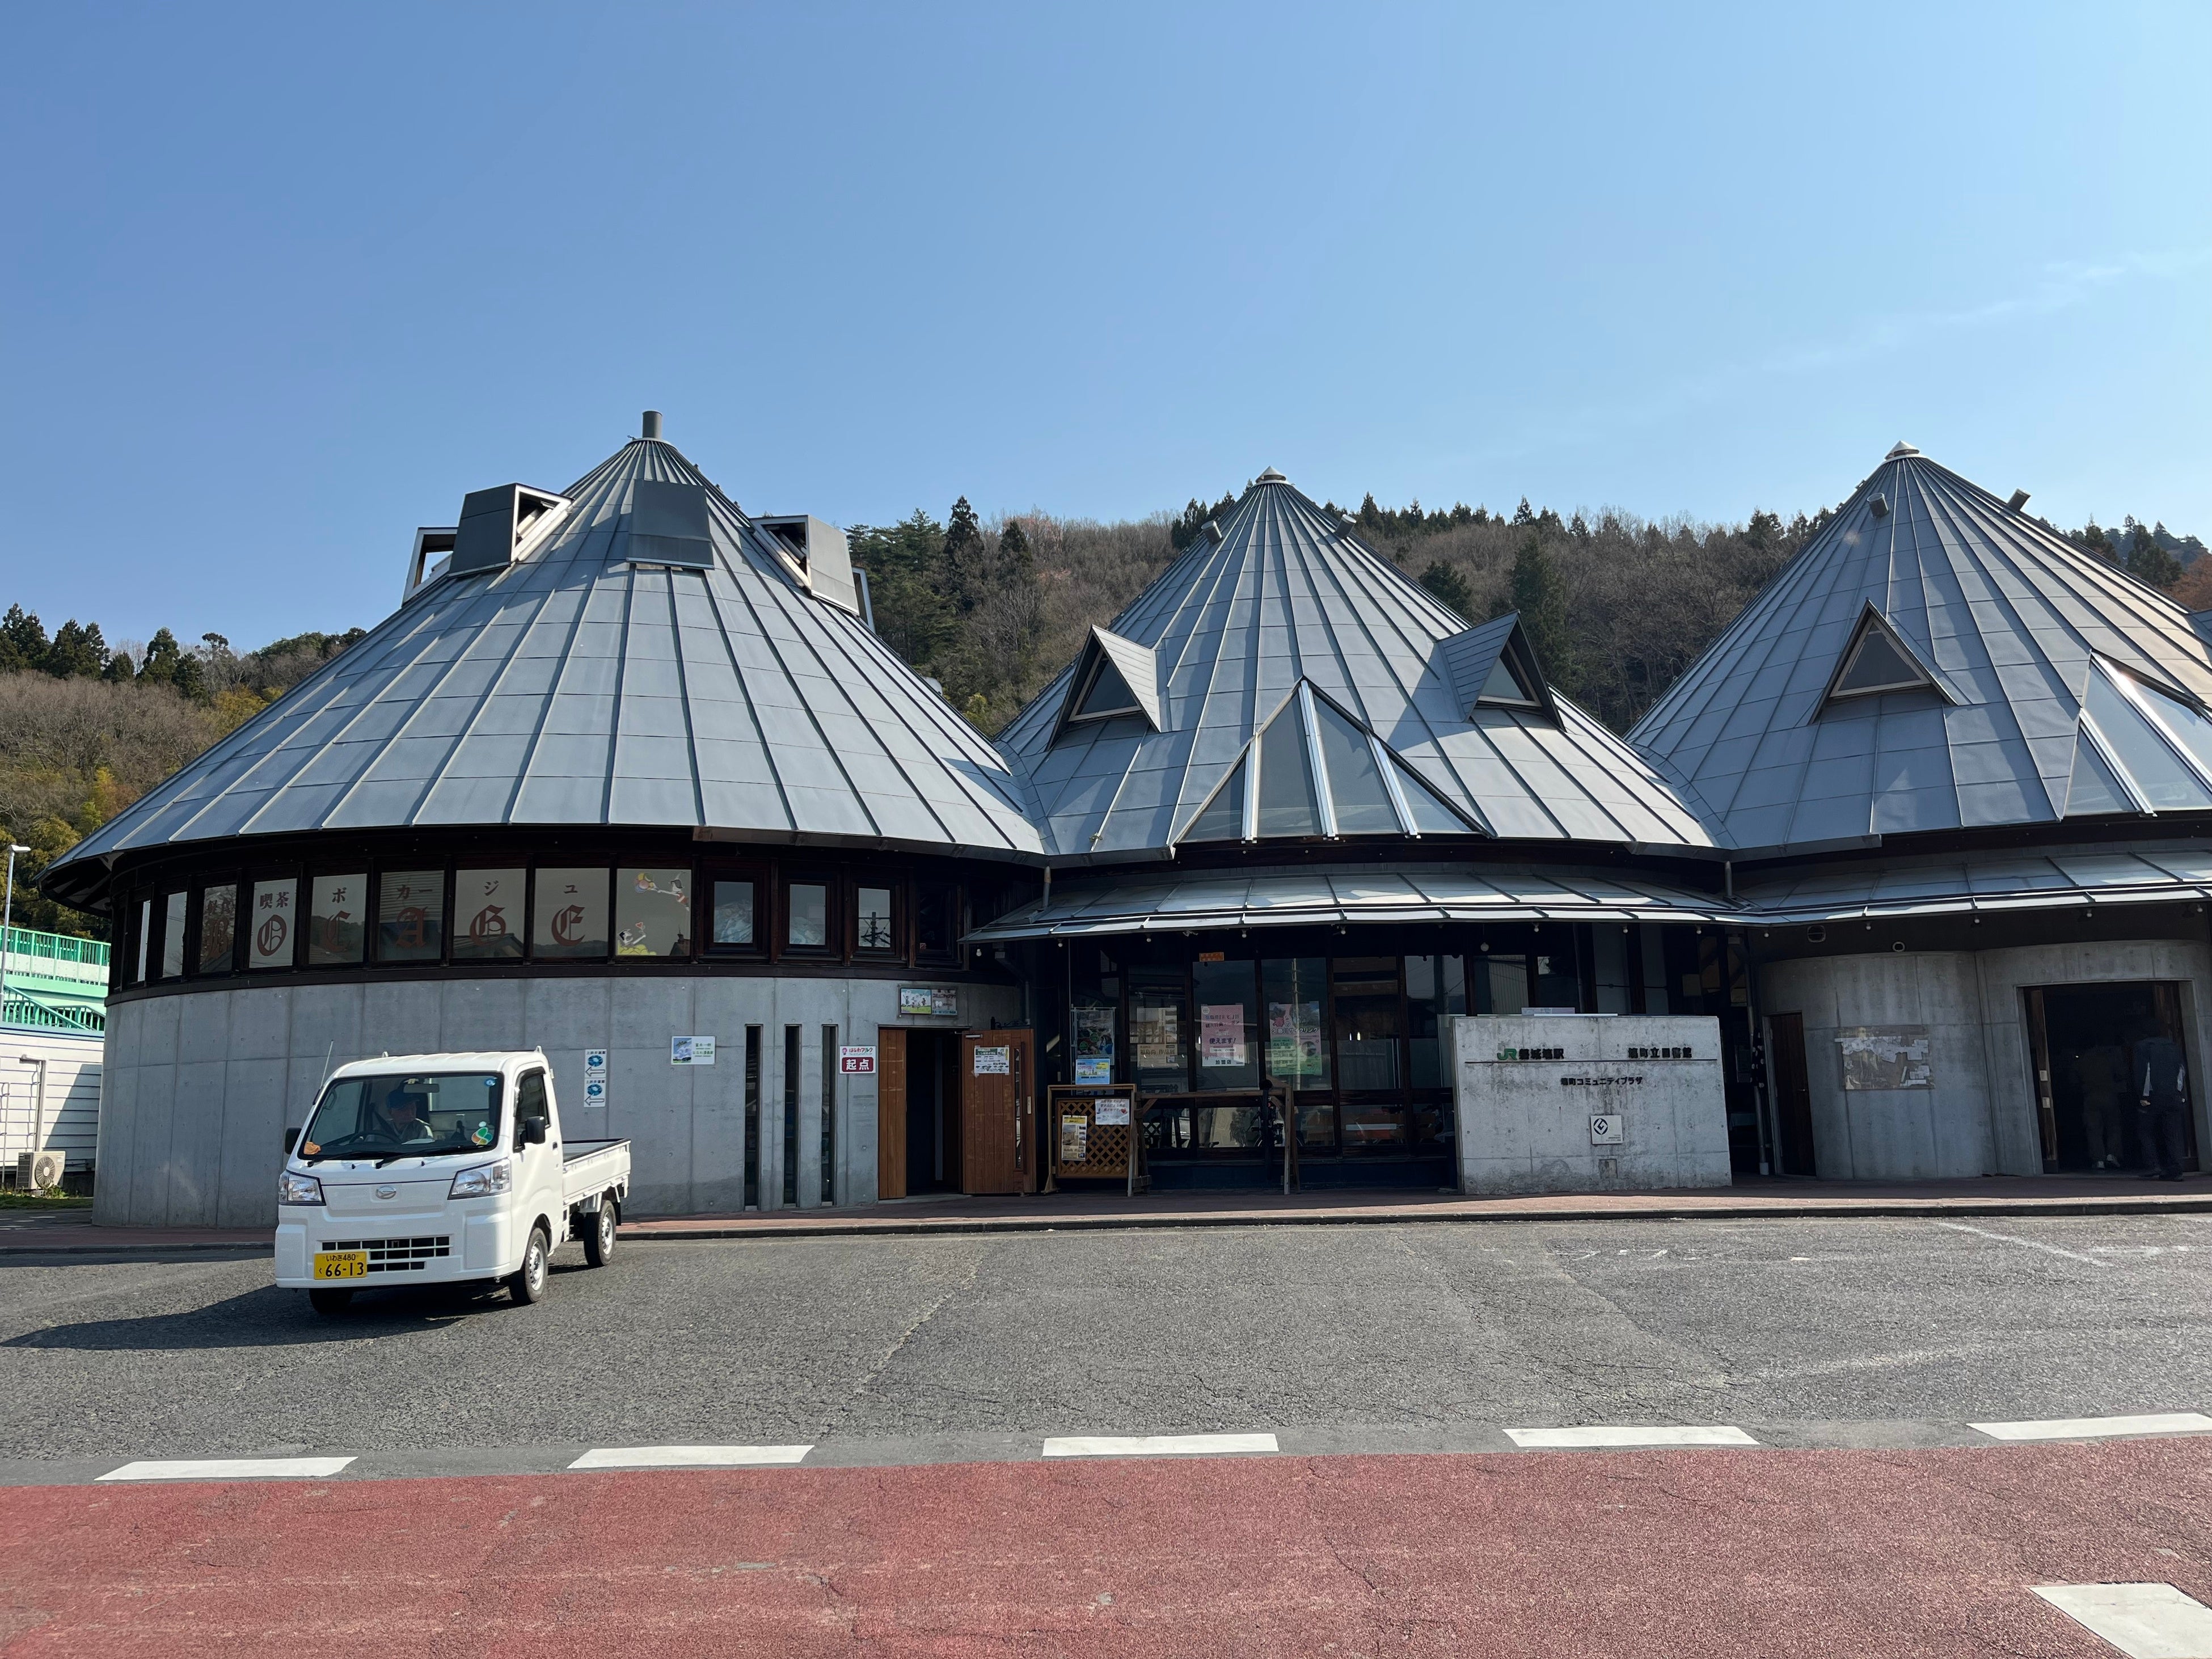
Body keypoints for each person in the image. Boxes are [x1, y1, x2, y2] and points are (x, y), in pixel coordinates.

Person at [2131, 1032, 2192, 1181]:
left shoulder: (2143, 1047)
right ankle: (2176, 1169)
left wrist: (2143, 1096)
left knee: (2146, 1131)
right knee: (2173, 1133)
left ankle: (2153, 1165)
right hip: (2173, 1096)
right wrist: (2179, 1093)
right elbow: (2181, 1072)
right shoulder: (2174, 1048)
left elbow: (2144, 1073)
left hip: (2153, 1095)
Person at [2073, 1045, 2126, 1170]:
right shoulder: (2109, 1057)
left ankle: (2098, 1160)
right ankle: (2112, 1154)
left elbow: (2074, 1081)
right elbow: (2122, 1074)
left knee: (2093, 1129)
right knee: (2114, 1127)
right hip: (2110, 1095)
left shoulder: (2081, 1060)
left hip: (2090, 1097)